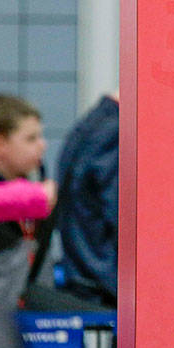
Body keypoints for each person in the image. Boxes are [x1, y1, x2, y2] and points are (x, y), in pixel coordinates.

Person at [0, 94, 52, 308]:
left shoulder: (40, 188)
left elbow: (41, 272)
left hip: (26, 298)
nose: (42, 145)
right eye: (31, 138)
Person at [57, 92, 120, 306]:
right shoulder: (115, 130)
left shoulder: (91, 124)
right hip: (103, 279)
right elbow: (118, 212)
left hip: (83, 271)